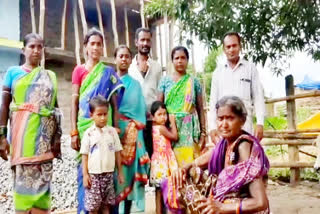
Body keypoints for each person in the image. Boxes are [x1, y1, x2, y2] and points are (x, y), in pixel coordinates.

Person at [163, 96, 270, 214]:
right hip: (223, 203)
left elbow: (261, 202)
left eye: (230, 118)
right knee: (179, 179)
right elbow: (195, 163)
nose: (224, 124)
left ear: (242, 120)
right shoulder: (224, 145)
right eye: (220, 119)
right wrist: (182, 170)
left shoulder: (242, 147)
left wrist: (221, 207)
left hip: (238, 207)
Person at [0, 33, 61, 213]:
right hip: (22, 140)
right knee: (22, 184)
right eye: (32, 46)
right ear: (23, 50)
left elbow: (55, 108)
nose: (36, 50)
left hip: (44, 141)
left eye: (39, 47)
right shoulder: (13, 73)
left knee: (43, 186)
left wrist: (57, 139)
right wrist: (2, 136)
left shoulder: (50, 76)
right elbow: (4, 104)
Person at [71, 28, 124, 214]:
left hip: (106, 131)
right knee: (85, 176)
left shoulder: (108, 73)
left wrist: (116, 127)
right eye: (92, 43)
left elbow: (115, 104)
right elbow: (75, 101)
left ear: (103, 48)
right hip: (86, 128)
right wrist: (74, 132)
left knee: (108, 178)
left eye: (99, 44)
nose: (95, 47)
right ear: (85, 47)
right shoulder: (78, 71)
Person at [208, 32, 265, 144]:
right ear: (224, 50)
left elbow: (258, 97)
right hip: (225, 128)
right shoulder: (218, 72)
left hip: (245, 125)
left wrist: (260, 123)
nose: (231, 49)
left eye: (234, 46)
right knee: (226, 158)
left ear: (240, 47)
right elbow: (213, 102)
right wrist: (212, 127)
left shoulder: (250, 68)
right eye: (228, 47)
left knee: (245, 156)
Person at [113, 45, 150, 213]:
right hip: (111, 133)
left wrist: (132, 127)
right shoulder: (109, 80)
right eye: (120, 56)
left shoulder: (135, 84)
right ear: (115, 59)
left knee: (127, 176)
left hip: (131, 134)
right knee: (112, 176)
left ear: (130, 60)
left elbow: (139, 110)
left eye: (127, 56)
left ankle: (126, 211)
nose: (124, 59)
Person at [158, 46, 206, 167]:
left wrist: (203, 133)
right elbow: (159, 108)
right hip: (170, 128)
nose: (180, 61)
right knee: (171, 166)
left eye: (183, 58)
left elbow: (200, 108)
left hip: (189, 130)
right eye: (177, 58)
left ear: (187, 60)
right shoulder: (164, 81)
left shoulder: (194, 82)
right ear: (172, 61)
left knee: (190, 166)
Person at [80, 96, 124, 214]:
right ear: (91, 115)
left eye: (105, 114)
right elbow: (84, 155)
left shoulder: (112, 132)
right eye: (99, 115)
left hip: (108, 175)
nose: (103, 118)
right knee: (93, 207)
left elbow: (117, 152)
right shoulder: (89, 134)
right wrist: (85, 175)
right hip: (94, 176)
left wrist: (119, 172)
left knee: (106, 205)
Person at [128, 27, 162, 157]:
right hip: (134, 120)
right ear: (136, 42)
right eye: (142, 40)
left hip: (152, 120)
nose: (145, 43)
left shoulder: (157, 67)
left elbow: (160, 93)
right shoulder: (130, 67)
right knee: (136, 156)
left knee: (153, 154)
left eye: (148, 40)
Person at [150, 101, 179, 214]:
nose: (163, 117)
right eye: (159, 114)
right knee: (167, 189)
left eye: (165, 114)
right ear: (153, 117)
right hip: (164, 161)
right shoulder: (161, 128)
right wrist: (173, 122)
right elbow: (174, 137)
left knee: (159, 191)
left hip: (158, 161)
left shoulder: (153, 127)